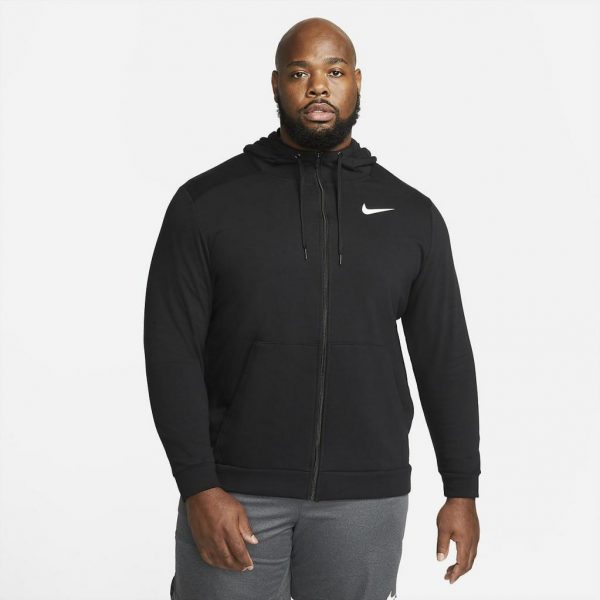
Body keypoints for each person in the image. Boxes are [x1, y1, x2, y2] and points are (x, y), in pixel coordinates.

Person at [143, 16, 481, 600]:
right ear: (277, 84)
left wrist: (461, 487)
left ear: (357, 82)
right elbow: (171, 350)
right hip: (236, 492)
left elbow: (444, 356)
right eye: (300, 73)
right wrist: (198, 485)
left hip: (366, 497)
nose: (318, 86)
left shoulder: (411, 215)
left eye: (335, 71)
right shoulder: (207, 204)